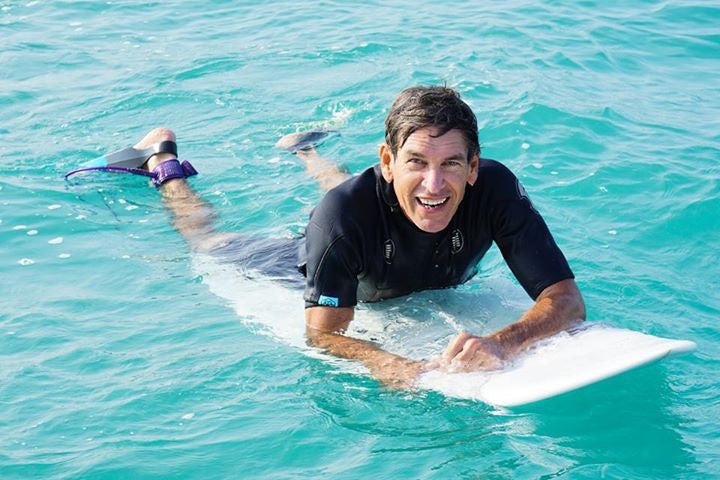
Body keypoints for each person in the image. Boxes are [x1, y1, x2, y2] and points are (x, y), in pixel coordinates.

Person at [98, 85, 585, 389]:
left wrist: (504, 342)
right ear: (387, 160)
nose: (436, 182)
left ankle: (304, 150)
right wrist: (386, 362)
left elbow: (566, 300)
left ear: (473, 167)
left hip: (374, 232)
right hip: (298, 263)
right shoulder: (343, 217)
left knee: (392, 200)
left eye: (451, 164)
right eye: (416, 161)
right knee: (207, 242)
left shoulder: (495, 188)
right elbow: (323, 333)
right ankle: (162, 161)